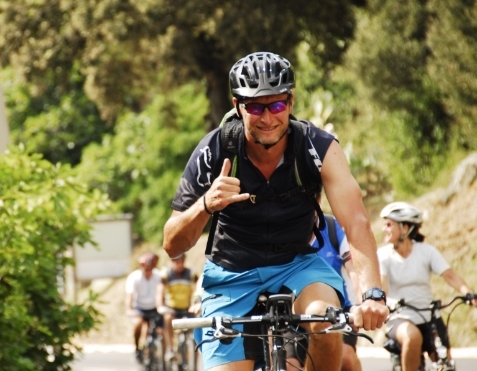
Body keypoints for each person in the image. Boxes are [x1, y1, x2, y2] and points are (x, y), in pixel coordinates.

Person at [163, 51, 388, 371]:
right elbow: (172, 244)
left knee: (326, 319)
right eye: (255, 107)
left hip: (297, 264)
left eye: (277, 105)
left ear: (291, 102)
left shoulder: (318, 147)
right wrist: (205, 204)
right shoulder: (215, 149)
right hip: (231, 272)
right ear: (237, 106)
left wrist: (373, 294)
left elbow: (356, 223)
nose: (267, 118)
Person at [378, 202, 477, 371]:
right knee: (412, 337)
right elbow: (382, 287)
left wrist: (469, 294)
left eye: (389, 224)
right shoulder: (383, 255)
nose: (384, 229)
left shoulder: (426, 252)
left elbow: (450, 275)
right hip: (400, 316)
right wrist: (382, 304)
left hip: (429, 316)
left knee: (445, 363)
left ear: (405, 228)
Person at [287, 197, 363, 371]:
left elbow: (354, 269)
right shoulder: (281, 228)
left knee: (346, 359)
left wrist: (362, 302)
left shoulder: (334, 227)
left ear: (319, 199)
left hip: (338, 307)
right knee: (289, 366)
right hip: (290, 307)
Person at [156, 253, 199, 362]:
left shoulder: (191, 274)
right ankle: (170, 348)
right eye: (176, 262)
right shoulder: (166, 275)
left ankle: (193, 361)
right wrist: (160, 306)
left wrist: (198, 301)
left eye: (181, 261)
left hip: (187, 308)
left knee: (195, 333)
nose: (179, 264)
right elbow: (159, 292)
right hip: (172, 309)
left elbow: (198, 287)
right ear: (172, 262)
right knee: (167, 318)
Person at [125, 252, 163, 364]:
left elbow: (161, 293)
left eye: (150, 269)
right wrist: (129, 309)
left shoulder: (159, 276)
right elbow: (129, 296)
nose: (148, 271)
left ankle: (165, 357)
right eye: (146, 269)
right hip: (140, 308)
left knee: (162, 330)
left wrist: (162, 307)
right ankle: (137, 348)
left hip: (154, 308)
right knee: (138, 324)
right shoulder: (134, 277)